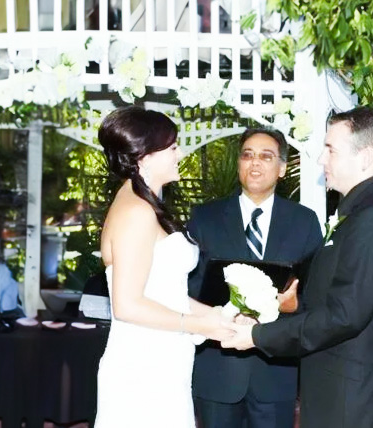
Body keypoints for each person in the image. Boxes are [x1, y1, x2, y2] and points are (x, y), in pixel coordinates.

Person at [222, 107, 373, 428]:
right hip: (338, 391)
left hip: (351, 401)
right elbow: (341, 294)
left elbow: (345, 316)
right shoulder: (360, 211)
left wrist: (259, 336)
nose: (320, 160)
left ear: (365, 157)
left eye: (331, 149)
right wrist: (287, 306)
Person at [95, 106, 232, 428]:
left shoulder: (144, 204)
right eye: (172, 147)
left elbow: (163, 291)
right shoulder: (137, 212)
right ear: (145, 157)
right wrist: (197, 325)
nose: (180, 153)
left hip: (162, 360)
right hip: (143, 368)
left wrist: (215, 315)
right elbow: (127, 305)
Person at [187, 128, 323, 428]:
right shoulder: (204, 218)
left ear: (283, 168)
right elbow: (189, 287)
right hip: (218, 372)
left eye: (266, 156)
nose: (255, 163)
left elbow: (316, 294)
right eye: (247, 155)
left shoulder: (305, 222)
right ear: (239, 164)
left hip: (275, 373)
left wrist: (291, 305)